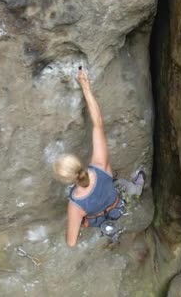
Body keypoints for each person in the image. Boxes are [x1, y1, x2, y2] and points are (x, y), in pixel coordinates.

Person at [53, 66, 144, 247]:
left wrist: (78, 222)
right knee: (122, 186)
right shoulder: (100, 165)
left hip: (95, 218)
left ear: (67, 180)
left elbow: (71, 243)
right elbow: (98, 124)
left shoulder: (75, 206)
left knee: (98, 219)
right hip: (116, 205)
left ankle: (109, 230)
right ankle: (137, 188)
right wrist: (86, 88)